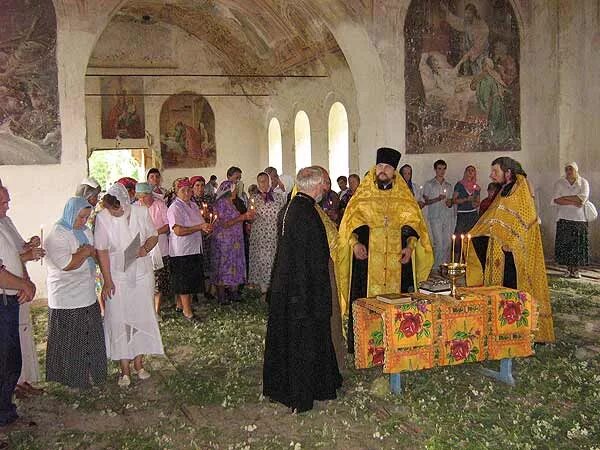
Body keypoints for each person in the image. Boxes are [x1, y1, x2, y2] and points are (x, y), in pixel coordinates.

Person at [337, 148, 433, 353]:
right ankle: (364, 347)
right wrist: (354, 244)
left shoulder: (404, 197)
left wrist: (409, 247)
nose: (383, 170)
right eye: (380, 166)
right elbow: (351, 224)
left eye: (388, 167)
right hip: (367, 261)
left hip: (398, 261)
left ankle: (398, 343)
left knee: (400, 299)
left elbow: (413, 226)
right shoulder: (362, 195)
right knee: (363, 300)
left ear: (394, 171)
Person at [263, 166, 342, 413]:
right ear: (316, 186)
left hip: (292, 286)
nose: (326, 189)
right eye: (324, 185)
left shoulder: (293, 208)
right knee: (304, 340)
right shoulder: (305, 212)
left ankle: (315, 383)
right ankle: (306, 390)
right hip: (303, 290)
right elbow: (312, 257)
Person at [466, 157, 555, 343]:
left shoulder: (521, 185)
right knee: (504, 287)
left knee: (516, 288)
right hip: (500, 249)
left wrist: (512, 241)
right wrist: (476, 234)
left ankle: (525, 331)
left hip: (516, 251)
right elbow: (494, 216)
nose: (491, 175)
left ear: (508, 172)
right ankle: (502, 328)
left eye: (495, 171)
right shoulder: (505, 189)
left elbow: (528, 216)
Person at [95, 184, 165, 387]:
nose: (115, 213)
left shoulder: (141, 212)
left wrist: (145, 248)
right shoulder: (103, 218)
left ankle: (139, 363)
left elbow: (153, 235)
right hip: (117, 275)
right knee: (119, 318)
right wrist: (107, 281)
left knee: (140, 315)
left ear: (126, 202)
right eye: (112, 210)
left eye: (118, 209)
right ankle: (124, 369)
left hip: (141, 273)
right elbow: (102, 251)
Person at [44, 197, 107, 389]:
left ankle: (94, 374)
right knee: (73, 342)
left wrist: (89, 252)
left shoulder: (85, 231)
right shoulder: (57, 234)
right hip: (67, 298)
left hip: (86, 294)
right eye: (81, 217)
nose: (84, 221)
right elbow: (67, 264)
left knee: (91, 338)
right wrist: (85, 253)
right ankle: (74, 379)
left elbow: (95, 254)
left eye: (87, 217)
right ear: (70, 213)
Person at [0, 185, 38, 426]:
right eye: (3, 203)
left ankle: (6, 410)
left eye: (7, 201)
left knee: (11, 358)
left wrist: (26, 282)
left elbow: (14, 256)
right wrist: (24, 285)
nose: (7, 206)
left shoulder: (4, 223)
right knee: (4, 359)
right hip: (2, 298)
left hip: (9, 299)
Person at [167, 178, 212, 317]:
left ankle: (182, 307)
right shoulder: (175, 208)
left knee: (192, 280)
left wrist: (206, 228)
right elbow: (178, 231)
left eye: (188, 189)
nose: (187, 192)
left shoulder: (192, 205)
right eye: (183, 190)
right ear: (176, 192)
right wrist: (199, 227)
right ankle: (188, 313)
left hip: (194, 248)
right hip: (182, 250)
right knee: (184, 282)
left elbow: (200, 223)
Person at [212, 181, 255, 303]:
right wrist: (242, 217)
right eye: (234, 189)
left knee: (234, 264)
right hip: (224, 242)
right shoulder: (221, 204)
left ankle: (233, 292)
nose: (236, 191)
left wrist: (248, 218)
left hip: (235, 241)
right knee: (223, 266)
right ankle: (221, 296)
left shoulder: (233, 202)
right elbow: (224, 223)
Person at [248, 172, 286, 293]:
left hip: (274, 234)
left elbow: (283, 215)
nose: (263, 184)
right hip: (260, 235)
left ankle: (273, 285)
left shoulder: (278, 197)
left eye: (265, 181)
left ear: (269, 181)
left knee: (273, 258)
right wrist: (251, 217)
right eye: (260, 181)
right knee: (261, 259)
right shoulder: (254, 198)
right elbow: (250, 217)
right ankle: (263, 287)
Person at [136, 183, 171, 315]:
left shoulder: (160, 205)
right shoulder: (135, 208)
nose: (142, 199)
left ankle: (156, 311)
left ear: (150, 195)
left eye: (144, 196)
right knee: (144, 280)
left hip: (160, 248)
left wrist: (153, 233)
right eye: (140, 197)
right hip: (142, 250)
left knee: (158, 281)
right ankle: (146, 309)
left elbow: (168, 225)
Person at [552, 162, 591, 278]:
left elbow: (582, 199)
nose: (569, 172)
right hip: (564, 217)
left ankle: (576, 270)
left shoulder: (583, 182)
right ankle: (568, 269)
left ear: (576, 170)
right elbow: (556, 199)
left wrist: (564, 198)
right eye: (567, 169)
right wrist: (574, 201)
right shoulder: (559, 183)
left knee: (577, 245)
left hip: (579, 219)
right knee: (566, 244)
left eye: (571, 169)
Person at [422, 159, 455, 272]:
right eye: (439, 169)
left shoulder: (449, 185)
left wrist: (449, 203)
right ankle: (436, 267)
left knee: (447, 242)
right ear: (435, 170)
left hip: (446, 216)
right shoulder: (429, 184)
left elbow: (450, 202)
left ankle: (444, 266)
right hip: (435, 217)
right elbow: (426, 201)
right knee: (439, 243)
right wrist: (437, 199)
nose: (441, 171)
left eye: (443, 169)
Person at [440, 2, 489, 76]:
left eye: (469, 13)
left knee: (478, 77)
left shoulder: (482, 27)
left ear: (474, 14)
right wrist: (447, 11)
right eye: (466, 13)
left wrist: (458, 65)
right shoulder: (467, 22)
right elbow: (457, 22)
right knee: (467, 77)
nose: (466, 16)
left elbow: (477, 48)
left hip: (479, 56)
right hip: (468, 54)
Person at [453, 165, 481, 259]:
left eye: (472, 170)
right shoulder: (459, 185)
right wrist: (466, 199)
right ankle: (456, 260)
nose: (470, 172)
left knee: (471, 238)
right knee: (458, 238)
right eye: (468, 170)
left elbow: (477, 202)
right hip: (462, 214)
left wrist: (475, 203)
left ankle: (469, 261)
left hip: (473, 214)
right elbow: (454, 200)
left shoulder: (476, 187)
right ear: (465, 172)